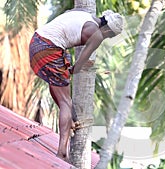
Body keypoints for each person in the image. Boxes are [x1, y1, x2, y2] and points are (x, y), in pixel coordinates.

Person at [29, 9, 124, 161]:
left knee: (61, 83)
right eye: (110, 35)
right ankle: (62, 152)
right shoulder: (97, 34)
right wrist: (79, 68)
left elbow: (67, 13)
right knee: (66, 102)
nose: (106, 38)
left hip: (36, 41)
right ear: (107, 29)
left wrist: (73, 68)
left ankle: (70, 121)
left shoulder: (84, 14)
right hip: (48, 48)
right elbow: (79, 65)